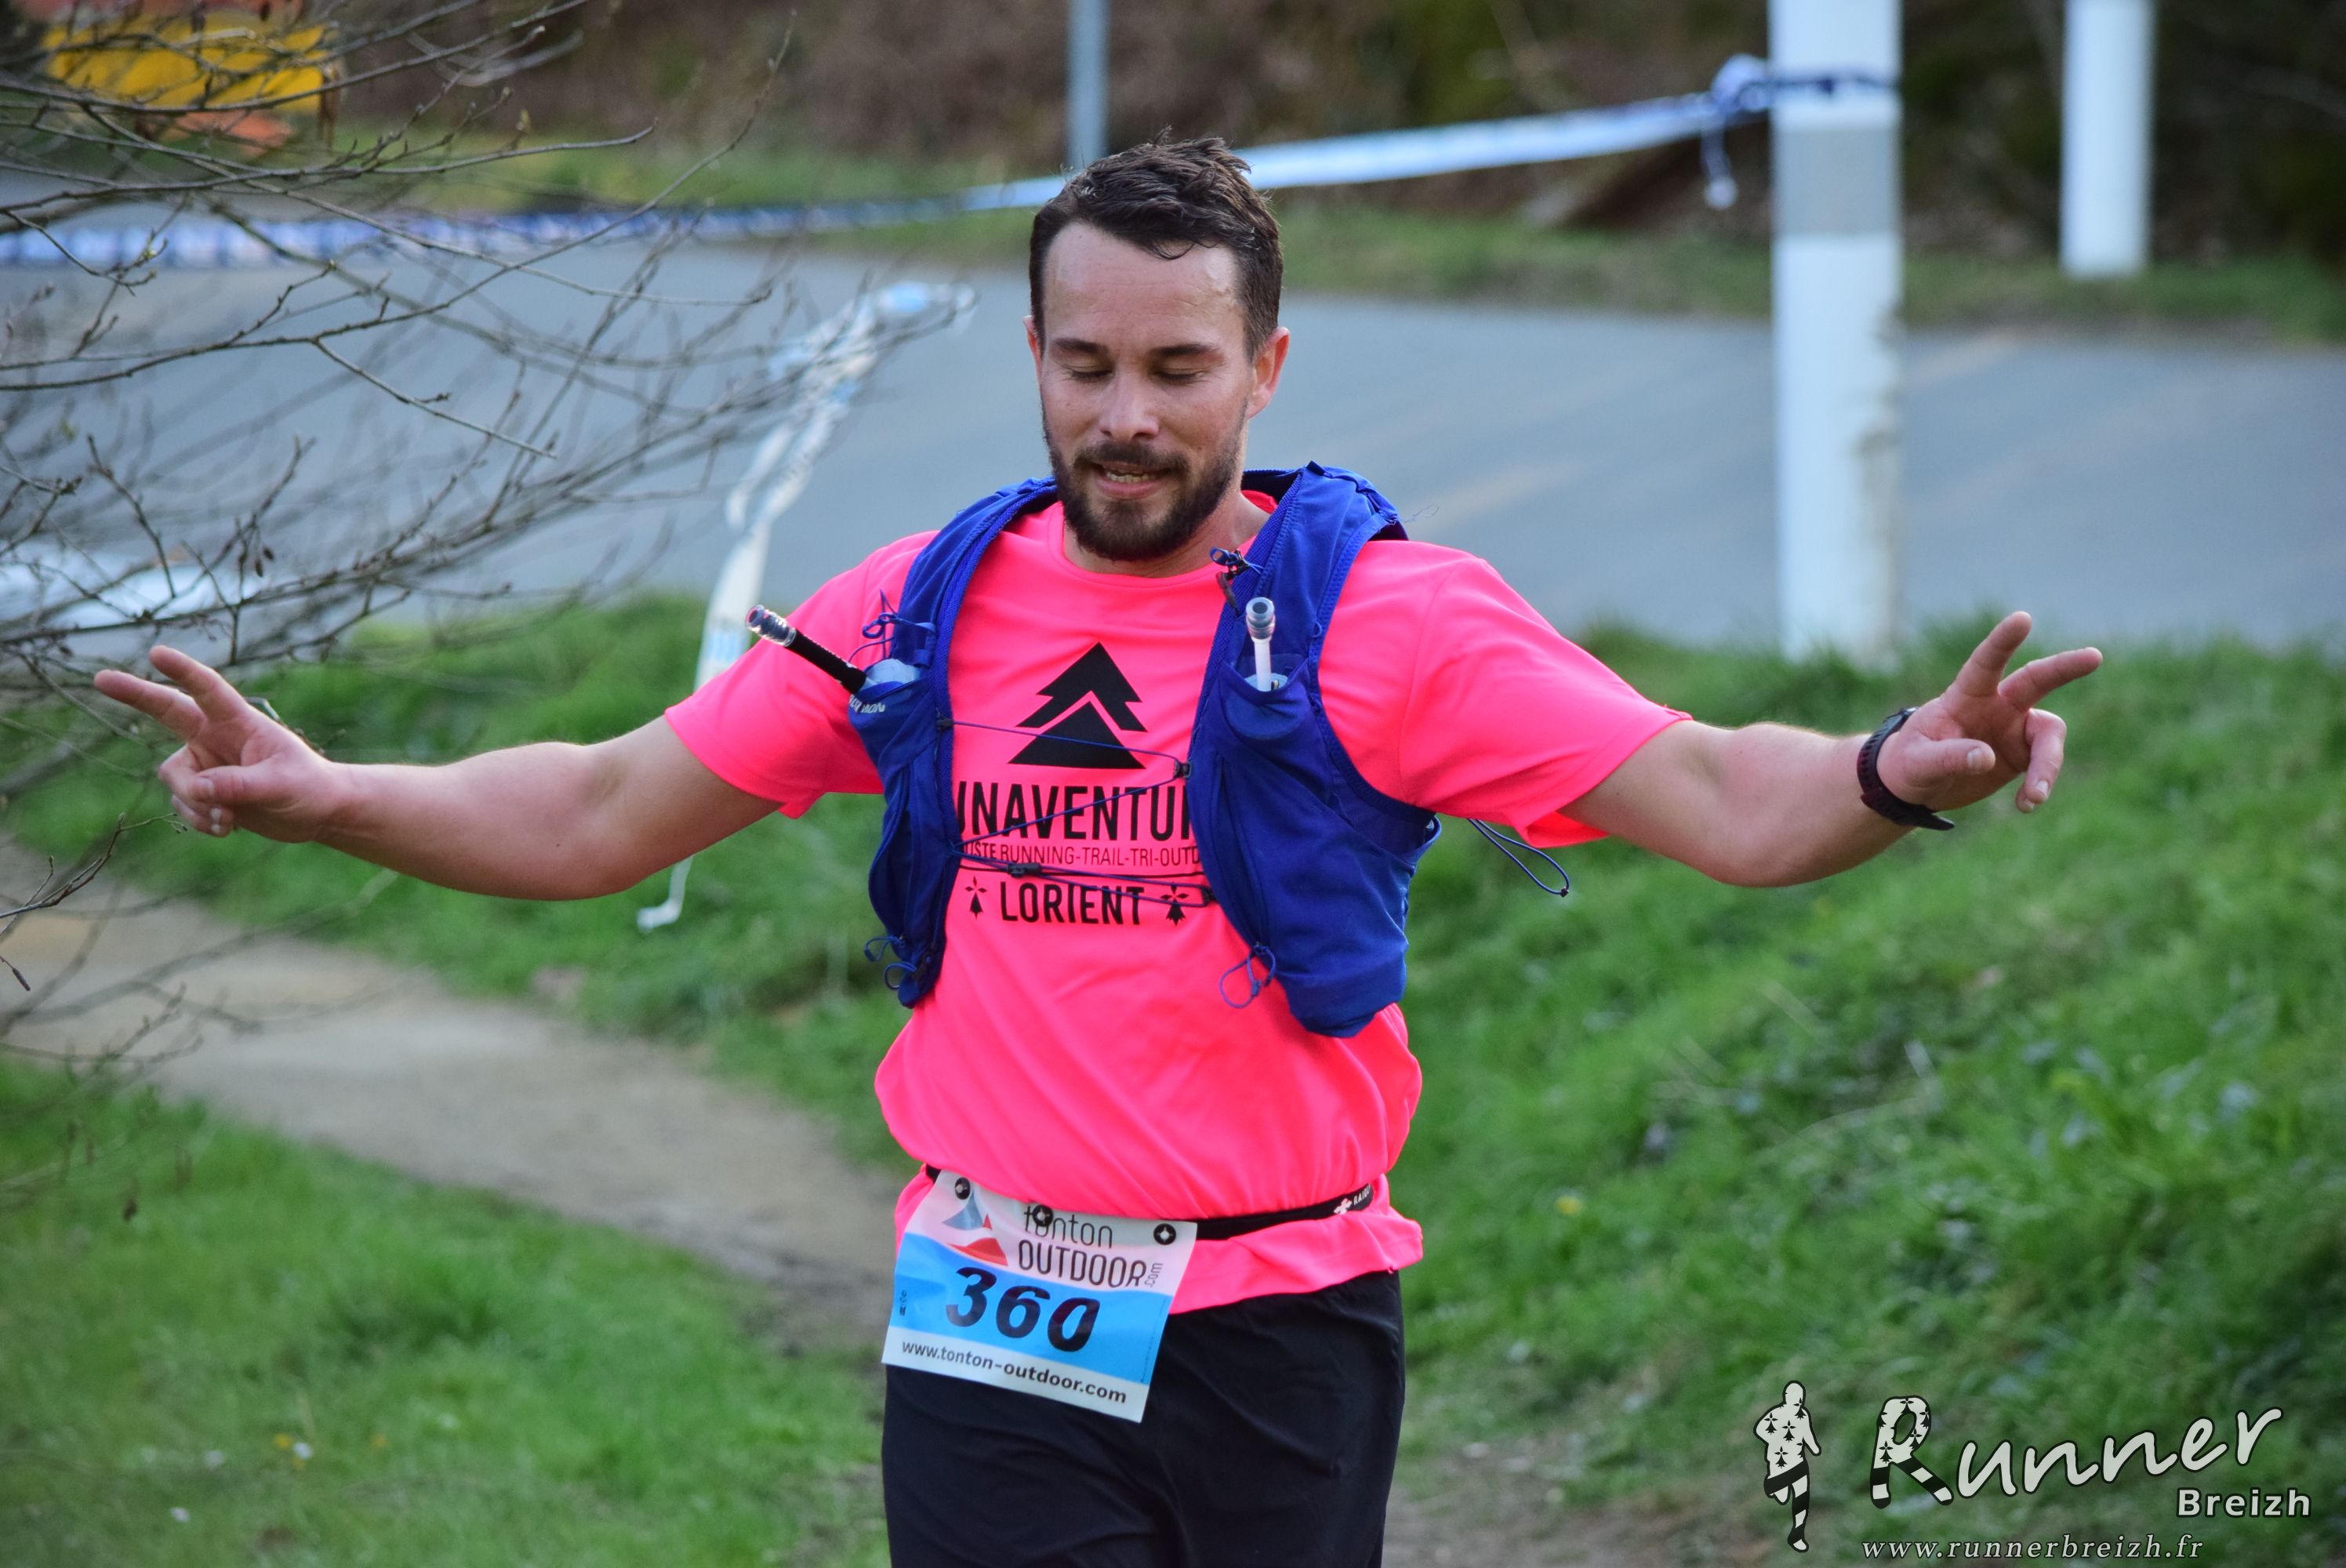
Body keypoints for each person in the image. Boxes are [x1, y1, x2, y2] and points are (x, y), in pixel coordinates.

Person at [94, 137, 2101, 1568]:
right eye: (1084, 366)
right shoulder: (924, 607)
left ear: (1265, 369)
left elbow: (1723, 796)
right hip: (992, 1306)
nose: (1124, 417)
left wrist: (1893, 765)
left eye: (1175, 369)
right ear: (1037, 355)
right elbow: (608, 808)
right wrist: (333, 791)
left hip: (1281, 1318)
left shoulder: (1392, 622)